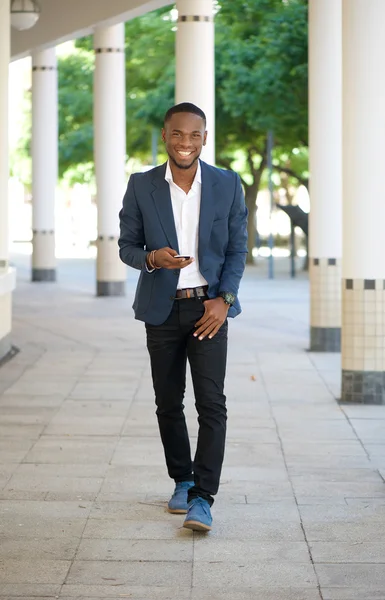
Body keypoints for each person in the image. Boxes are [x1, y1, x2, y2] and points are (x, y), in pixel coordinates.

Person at [118, 102, 248, 532]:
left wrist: (224, 298)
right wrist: (152, 258)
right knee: (168, 403)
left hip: (209, 308)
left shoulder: (228, 184)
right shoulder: (141, 185)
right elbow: (127, 246)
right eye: (178, 134)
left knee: (212, 404)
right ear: (165, 135)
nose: (186, 143)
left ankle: (203, 498)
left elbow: (236, 249)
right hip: (162, 309)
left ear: (204, 138)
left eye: (194, 135)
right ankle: (182, 479)